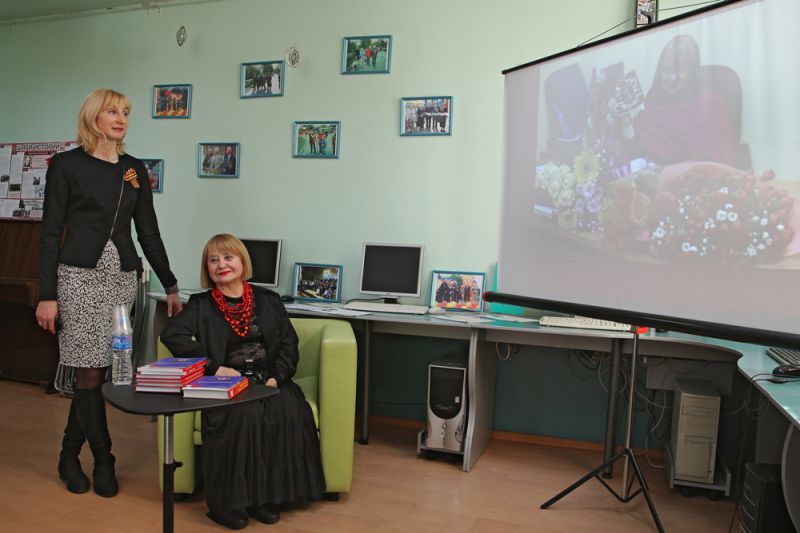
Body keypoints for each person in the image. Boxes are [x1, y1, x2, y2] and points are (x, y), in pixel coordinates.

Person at [36, 88, 182, 497]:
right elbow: (50, 233)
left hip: (120, 281)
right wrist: (47, 294)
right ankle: (104, 459)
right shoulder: (66, 165)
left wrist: (170, 283)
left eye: (125, 112)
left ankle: (68, 456)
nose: (120, 119)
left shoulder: (134, 169)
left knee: (101, 372)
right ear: (93, 117)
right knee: (88, 370)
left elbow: (148, 232)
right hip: (77, 279)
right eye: (112, 111)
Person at [160, 234, 326, 529]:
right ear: (207, 268)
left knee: (285, 410)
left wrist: (278, 376)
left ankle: (265, 499)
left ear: (242, 262)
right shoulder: (201, 304)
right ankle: (230, 504)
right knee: (243, 415)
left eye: (228, 257)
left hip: (268, 378)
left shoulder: (268, 300)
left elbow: (288, 344)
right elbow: (172, 335)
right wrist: (213, 368)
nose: (221, 264)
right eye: (213, 260)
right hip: (227, 384)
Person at [630, 34, 740, 167]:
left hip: (698, 176)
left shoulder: (711, 104)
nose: (672, 78)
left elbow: (723, 159)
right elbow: (642, 142)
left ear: (692, 73)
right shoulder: (655, 96)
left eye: (680, 71)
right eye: (666, 70)